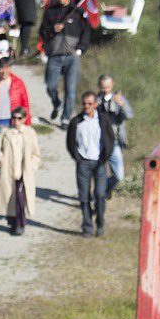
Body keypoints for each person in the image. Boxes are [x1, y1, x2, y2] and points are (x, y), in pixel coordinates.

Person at [39, 0, 90, 126]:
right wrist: (52, 30)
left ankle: (66, 118)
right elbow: (42, 32)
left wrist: (80, 49)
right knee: (50, 85)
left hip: (71, 57)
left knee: (71, 90)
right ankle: (57, 103)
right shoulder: (50, 12)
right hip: (54, 56)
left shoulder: (78, 12)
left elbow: (86, 32)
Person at [66, 91, 114, 239]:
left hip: (99, 162)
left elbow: (110, 139)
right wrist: (78, 158)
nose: (86, 106)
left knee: (100, 194)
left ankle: (100, 222)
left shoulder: (103, 120)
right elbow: (70, 142)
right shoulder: (76, 122)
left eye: (89, 103)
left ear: (95, 104)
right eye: (84, 103)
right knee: (84, 196)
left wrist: (105, 157)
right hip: (83, 163)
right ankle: (87, 225)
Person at [0, 106, 41, 235]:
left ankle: (21, 223)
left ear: (24, 119)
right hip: (8, 171)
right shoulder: (5, 132)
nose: (16, 121)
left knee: (20, 199)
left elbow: (36, 154)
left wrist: (31, 167)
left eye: (19, 118)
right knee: (9, 197)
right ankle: (13, 222)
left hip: (23, 171)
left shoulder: (30, 133)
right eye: (13, 118)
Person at [96, 75, 132, 196]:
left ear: (112, 86)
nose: (105, 90)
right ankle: (100, 194)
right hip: (99, 142)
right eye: (102, 87)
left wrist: (121, 105)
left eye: (107, 87)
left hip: (115, 141)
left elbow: (129, 115)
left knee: (119, 176)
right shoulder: (96, 101)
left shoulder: (118, 99)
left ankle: (106, 186)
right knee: (99, 173)